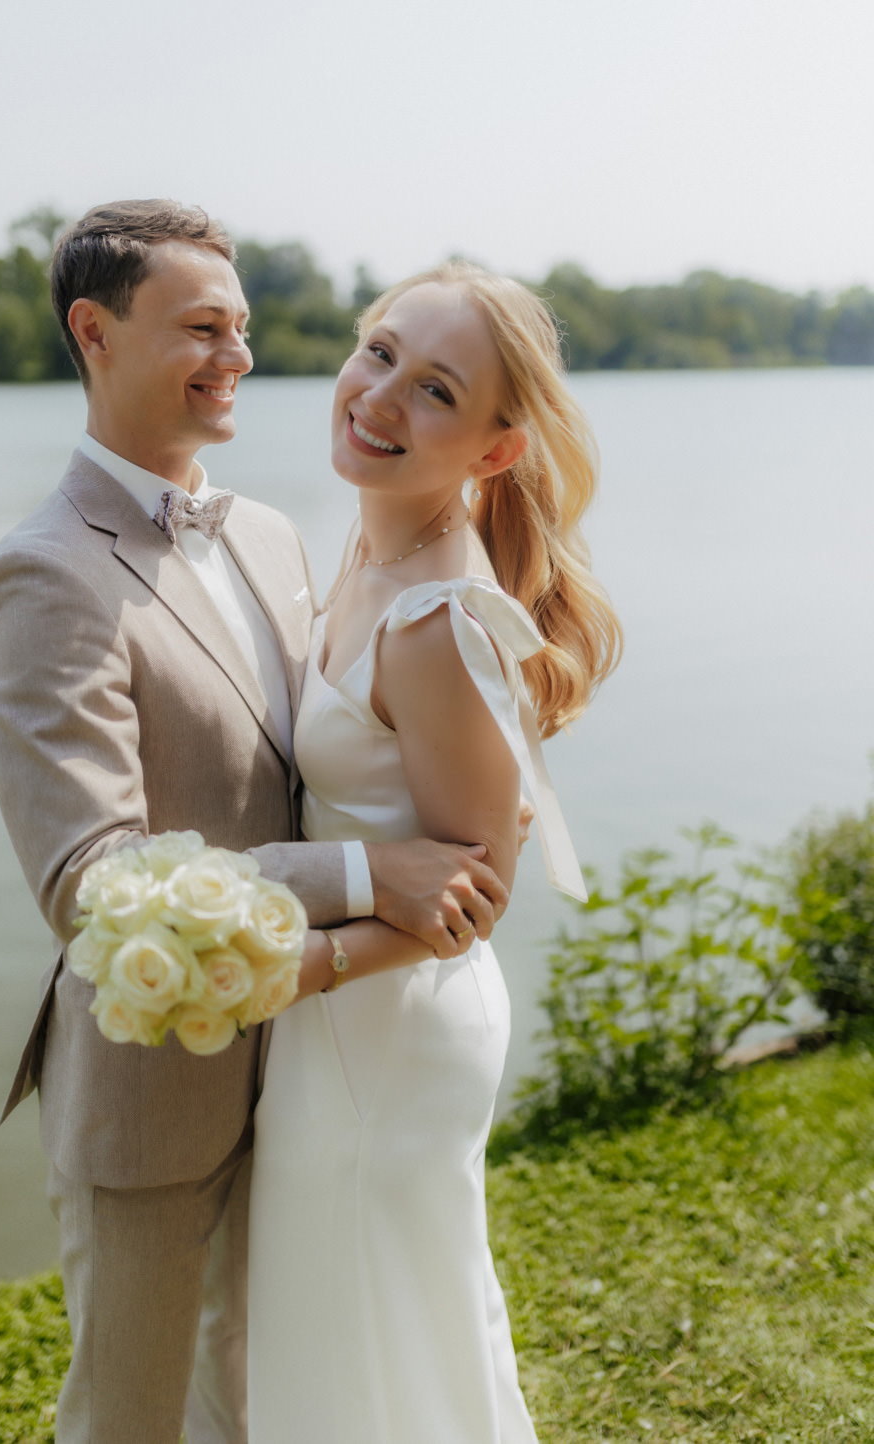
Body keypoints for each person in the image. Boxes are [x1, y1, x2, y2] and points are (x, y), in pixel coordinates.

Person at [0, 202, 509, 1444]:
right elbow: (96, 885)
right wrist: (370, 874)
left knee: (273, 1401)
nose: (240, 357)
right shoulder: (41, 572)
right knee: (135, 1417)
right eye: (202, 328)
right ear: (95, 333)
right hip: (155, 1086)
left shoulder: (270, 532)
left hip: (320, 1073)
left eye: (246, 328)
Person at [246, 261, 622, 1442]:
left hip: (389, 1026)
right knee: (352, 1323)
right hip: (349, 1009)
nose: (378, 397)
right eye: (379, 353)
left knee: (385, 1337)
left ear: (496, 451)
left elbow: (479, 890)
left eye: (434, 389)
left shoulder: (435, 620)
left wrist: (294, 968)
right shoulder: (367, 546)